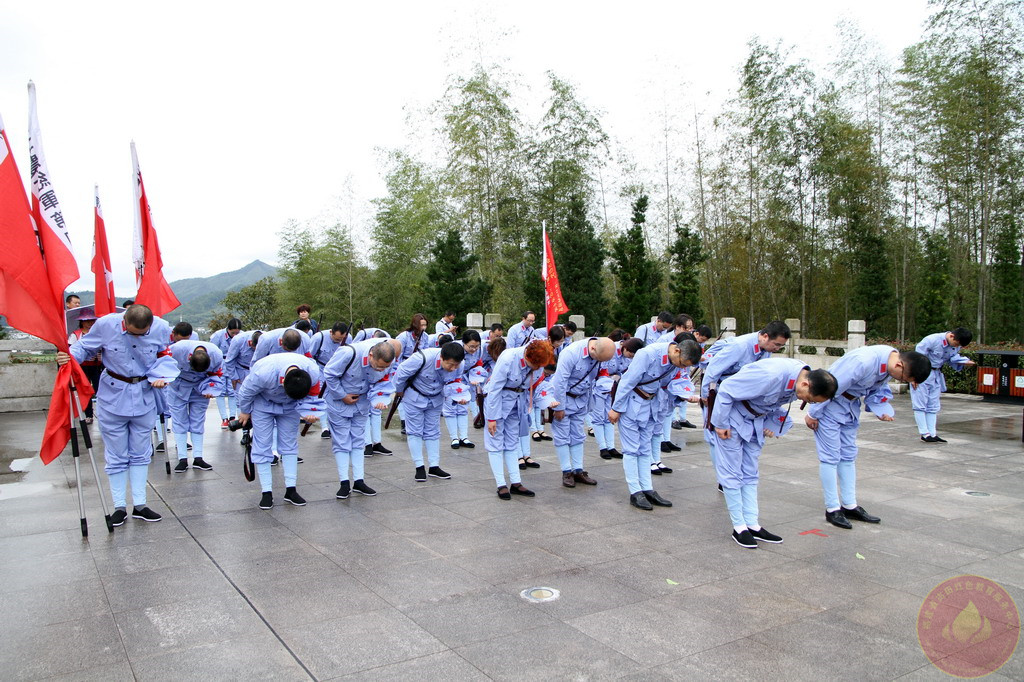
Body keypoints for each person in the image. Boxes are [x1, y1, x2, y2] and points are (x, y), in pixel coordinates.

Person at [57, 305, 179, 526]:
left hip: (144, 393)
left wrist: (163, 375)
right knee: (116, 454)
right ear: (124, 323)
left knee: (141, 452)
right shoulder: (106, 324)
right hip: (113, 394)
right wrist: (69, 357)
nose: (138, 337)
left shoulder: (161, 327)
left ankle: (140, 505)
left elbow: (165, 355)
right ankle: (119, 506)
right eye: (133, 332)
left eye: (143, 334)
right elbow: (84, 347)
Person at [712, 358, 837, 548]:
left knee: (750, 473)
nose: (806, 402)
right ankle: (739, 527)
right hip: (732, 419)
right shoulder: (770, 375)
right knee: (732, 473)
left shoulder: (800, 377)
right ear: (805, 384)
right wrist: (720, 424)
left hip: (756, 421)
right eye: (809, 399)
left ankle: (752, 524)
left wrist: (774, 424)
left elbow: (772, 403)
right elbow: (727, 389)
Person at [806, 346, 930, 529]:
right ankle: (832, 508)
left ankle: (849, 505)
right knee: (830, 458)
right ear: (899, 365)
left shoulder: (889, 362)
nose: (900, 380)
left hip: (850, 408)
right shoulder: (863, 362)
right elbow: (829, 386)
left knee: (848, 456)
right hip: (829, 406)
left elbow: (876, 391)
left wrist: (881, 409)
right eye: (903, 378)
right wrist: (813, 413)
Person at [609, 337, 702, 510]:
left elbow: (668, 385)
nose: (681, 367)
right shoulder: (648, 354)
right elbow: (627, 381)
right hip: (631, 405)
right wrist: (616, 408)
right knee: (631, 450)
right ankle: (635, 491)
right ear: (677, 351)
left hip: (651, 406)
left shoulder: (674, 362)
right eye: (682, 364)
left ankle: (647, 489)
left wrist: (684, 395)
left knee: (645, 450)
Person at [701, 320, 791, 486]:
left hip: (742, 398)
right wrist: (706, 395)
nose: (777, 349)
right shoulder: (740, 346)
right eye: (776, 344)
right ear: (765, 336)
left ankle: (735, 475)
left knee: (739, 438)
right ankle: (723, 480)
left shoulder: (765, 351)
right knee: (716, 436)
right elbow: (713, 369)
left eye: (780, 346)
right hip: (721, 393)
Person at [236, 352, 321, 509]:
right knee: (262, 446)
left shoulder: (313, 371)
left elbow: (313, 395)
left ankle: (291, 490)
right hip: (264, 404)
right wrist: (245, 411)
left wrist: (310, 412)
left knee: (289, 445)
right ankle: (266, 492)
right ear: (283, 382)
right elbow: (245, 392)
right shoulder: (263, 372)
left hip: (291, 406)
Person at [324, 338, 401, 499]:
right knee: (342, 442)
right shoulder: (349, 353)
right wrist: (342, 395)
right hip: (339, 402)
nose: (381, 370)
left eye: (385, 367)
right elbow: (329, 374)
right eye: (379, 366)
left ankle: (359, 480)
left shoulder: (389, 361)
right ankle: (344, 483)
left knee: (359, 441)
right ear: (371, 355)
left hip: (362, 402)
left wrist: (379, 398)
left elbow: (383, 381)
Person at [484, 340, 555, 500]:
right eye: (535, 365)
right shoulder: (508, 358)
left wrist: (548, 400)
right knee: (495, 443)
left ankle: (516, 482)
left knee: (512, 442)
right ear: (527, 356)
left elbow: (538, 385)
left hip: (518, 402)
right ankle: (501, 484)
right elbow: (494, 388)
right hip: (499, 401)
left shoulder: (539, 362)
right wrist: (492, 418)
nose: (537, 369)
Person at [393, 341, 466, 481]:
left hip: (436, 398)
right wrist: (399, 391)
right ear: (442, 357)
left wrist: (459, 397)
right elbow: (401, 373)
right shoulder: (422, 358)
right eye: (450, 364)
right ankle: (419, 467)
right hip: (415, 396)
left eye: (456, 365)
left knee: (433, 431)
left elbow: (455, 382)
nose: (453, 368)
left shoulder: (460, 365)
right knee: (415, 431)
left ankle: (434, 466)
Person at [552, 336, 616, 488]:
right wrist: (559, 407)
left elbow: (594, 379)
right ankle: (566, 471)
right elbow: (560, 382)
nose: (599, 362)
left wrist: (588, 404)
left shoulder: (600, 354)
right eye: (598, 359)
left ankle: (578, 470)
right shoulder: (571, 353)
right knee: (562, 436)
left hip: (582, 399)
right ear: (593, 348)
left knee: (578, 435)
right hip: (565, 398)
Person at [167, 339, 223, 472]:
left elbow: (216, 375)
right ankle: (182, 458)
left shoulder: (217, 354)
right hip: (178, 386)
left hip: (200, 387)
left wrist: (211, 389)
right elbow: (164, 364)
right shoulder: (177, 349)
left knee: (198, 421)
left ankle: (198, 457)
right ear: (189, 358)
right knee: (179, 421)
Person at [911, 328, 975, 443]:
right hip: (923, 372)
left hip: (936, 374)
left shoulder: (955, 345)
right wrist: (914, 376)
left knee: (933, 405)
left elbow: (951, 359)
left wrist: (963, 362)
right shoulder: (932, 340)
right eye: (956, 343)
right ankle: (924, 433)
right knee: (920, 404)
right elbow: (916, 357)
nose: (956, 346)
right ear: (951, 336)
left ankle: (932, 433)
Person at [593, 337, 643, 460]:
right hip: (599, 386)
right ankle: (602, 447)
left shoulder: (630, 357)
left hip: (614, 388)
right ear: (625, 348)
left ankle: (611, 447)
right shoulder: (610, 349)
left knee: (610, 417)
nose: (629, 357)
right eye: (630, 355)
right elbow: (600, 369)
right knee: (598, 418)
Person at [309, 322, 350, 438]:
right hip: (321, 369)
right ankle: (324, 427)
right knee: (322, 397)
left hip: (338, 370)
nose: (339, 341)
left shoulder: (348, 338)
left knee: (336, 397)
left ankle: (335, 425)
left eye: (341, 339)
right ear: (331, 332)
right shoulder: (319, 338)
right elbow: (309, 356)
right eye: (336, 339)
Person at [395, 313, 431, 434]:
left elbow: (426, 353)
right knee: (402, 395)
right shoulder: (404, 337)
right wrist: (399, 372)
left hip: (419, 368)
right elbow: (398, 356)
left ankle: (415, 421)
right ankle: (404, 421)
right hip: (405, 366)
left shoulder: (425, 337)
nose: (424, 328)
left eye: (425, 325)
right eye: (421, 325)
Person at [68, 313, 101, 422]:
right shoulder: (75, 334)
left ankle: (102, 414)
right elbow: (70, 350)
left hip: (97, 366)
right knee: (85, 390)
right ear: (82, 322)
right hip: (82, 367)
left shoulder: (98, 333)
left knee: (100, 390)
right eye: (87, 321)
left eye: (92, 320)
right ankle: (88, 415)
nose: (90, 323)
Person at [210, 318, 242, 429]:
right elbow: (212, 351)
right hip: (220, 365)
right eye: (233, 333)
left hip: (235, 365)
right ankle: (224, 418)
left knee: (233, 391)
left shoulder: (242, 336)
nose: (235, 335)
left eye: (237, 333)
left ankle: (232, 417)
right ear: (228, 329)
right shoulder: (218, 336)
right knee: (220, 392)